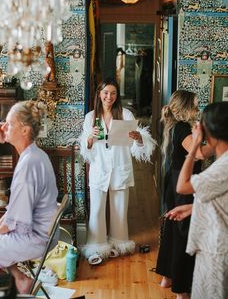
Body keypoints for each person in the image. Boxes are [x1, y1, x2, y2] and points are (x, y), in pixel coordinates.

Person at [80, 78, 156, 265]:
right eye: (106, 93)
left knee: (119, 209)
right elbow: (85, 148)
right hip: (99, 169)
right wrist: (89, 139)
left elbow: (138, 147)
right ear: (99, 93)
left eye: (113, 93)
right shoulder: (91, 117)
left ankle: (119, 243)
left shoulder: (125, 114)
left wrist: (138, 138)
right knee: (97, 210)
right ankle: (96, 246)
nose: (109, 97)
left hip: (120, 168)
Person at [0, 100, 58, 294]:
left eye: (9, 123)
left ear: (25, 130)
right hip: (41, 231)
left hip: (36, 237)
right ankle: (21, 280)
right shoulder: (35, 154)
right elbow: (14, 212)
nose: (3, 127)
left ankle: (12, 286)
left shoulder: (28, 164)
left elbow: (16, 221)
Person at [155, 90, 213, 299]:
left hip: (174, 180)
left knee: (171, 228)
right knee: (183, 233)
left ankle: (167, 277)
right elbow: (197, 153)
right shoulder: (181, 128)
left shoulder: (175, 127)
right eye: (196, 105)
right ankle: (180, 289)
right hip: (183, 183)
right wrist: (214, 144)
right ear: (186, 107)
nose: (198, 109)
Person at [167, 101, 228, 299]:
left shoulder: (223, 167)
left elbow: (182, 185)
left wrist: (193, 146)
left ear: (209, 133)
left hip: (217, 250)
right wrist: (194, 207)